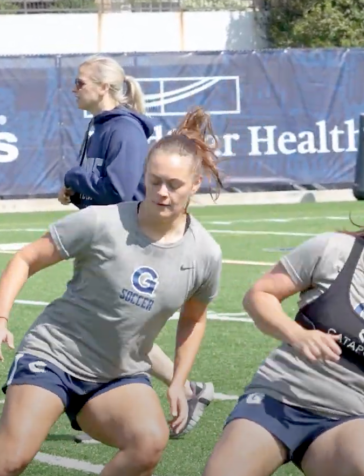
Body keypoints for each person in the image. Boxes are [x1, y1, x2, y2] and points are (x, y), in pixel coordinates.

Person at [0, 107, 224, 476]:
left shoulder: (205, 253)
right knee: (10, 460)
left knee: (148, 444)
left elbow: (194, 318)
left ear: (195, 185)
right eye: (154, 180)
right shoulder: (103, 221)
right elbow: (25, 259)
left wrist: (179, 381)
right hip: (53, 356)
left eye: (174, 185)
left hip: (118, 374)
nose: (161, 192)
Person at [202, 176, 364, 476]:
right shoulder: (334, 250)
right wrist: (297, 334)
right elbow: (258, 295)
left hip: (346, 418)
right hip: (277, 398)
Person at [61, 54, 214, 443]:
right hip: (108, 238)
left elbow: (123, 187)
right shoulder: (101, 127)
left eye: (80, 82)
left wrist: (74, 176)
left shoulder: (124, 129)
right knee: (121, 329)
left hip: (129, 241)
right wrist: (77, 192)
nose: (73, 88)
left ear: (104, 87)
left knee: (114, 328)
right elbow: (106, 188)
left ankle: (109, 410)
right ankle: (181, 392)